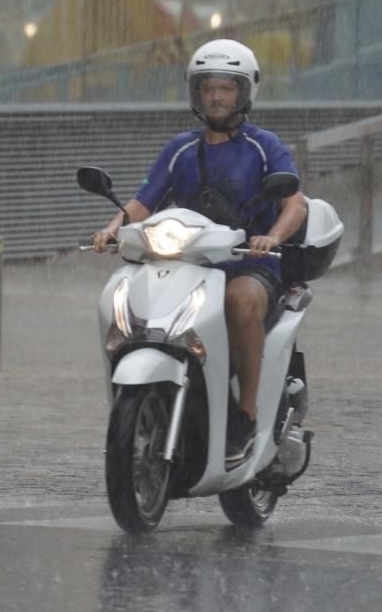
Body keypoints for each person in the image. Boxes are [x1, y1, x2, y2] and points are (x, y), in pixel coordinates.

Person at [91, 38, 308, 467]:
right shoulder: (180, 150)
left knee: (240, 301)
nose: (216, 96)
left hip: (250, 264)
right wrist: (114, 228)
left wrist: (272, 239)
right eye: (208, 87)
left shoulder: (264, 146)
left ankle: (245, 415)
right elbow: (142, 202)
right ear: (196, 92)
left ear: (244, 93)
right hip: (189, 262)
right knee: (134, 297)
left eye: (226, 87)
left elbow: (295, 202)